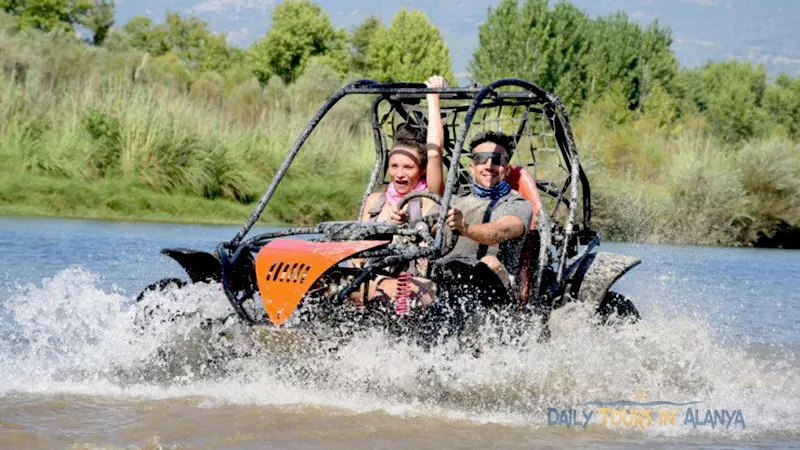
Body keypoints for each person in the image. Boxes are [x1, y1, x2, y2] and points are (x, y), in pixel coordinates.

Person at [445, 130, 533, 291]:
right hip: (447, 276)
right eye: (481, 159)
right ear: (472, 167)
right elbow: (429, 227)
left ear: (506, 169)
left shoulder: (517, 204)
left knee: (488, 263)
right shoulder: (453, 202)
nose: (489, 166)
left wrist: (465, 228)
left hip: (494, 287)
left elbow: (502, 230)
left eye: (497, 160)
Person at [360, 75, 446, 225]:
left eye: (408, 167)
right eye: (394, 166)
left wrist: (433, 99)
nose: (399, 174)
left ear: (423, 170)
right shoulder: (374, 201)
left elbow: (434, 153)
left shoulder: (430, 198)